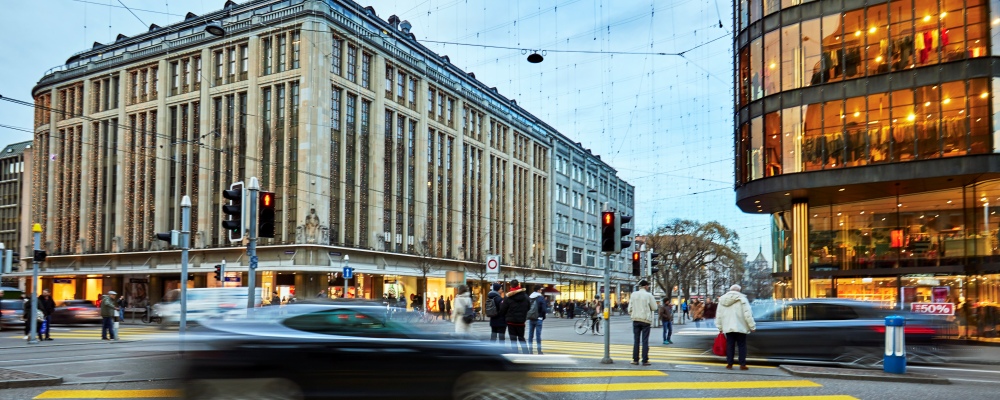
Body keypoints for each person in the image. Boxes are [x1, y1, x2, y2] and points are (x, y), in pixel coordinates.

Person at [716, 284, 756, 370]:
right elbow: (748, 314)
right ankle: (742, 364)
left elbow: (719, 315)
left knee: (730, 345)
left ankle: (729, 363)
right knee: (742, 345)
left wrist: (720, 327)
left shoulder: (722, 300)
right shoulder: (742, 299)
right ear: (739, 291)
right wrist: (752, 326)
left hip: (728, 327)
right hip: (741, 326)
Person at [627, 280, 657, 366]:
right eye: (648, 286)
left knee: (636, 340)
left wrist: (633, 313)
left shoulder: (633, 294)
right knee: (645, 341)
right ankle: (645, 360)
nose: (648, 287)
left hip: (636, 319)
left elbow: (629, 309)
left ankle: (635, 359)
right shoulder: (648, 295)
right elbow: (654, 307)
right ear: (645, 286)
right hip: (645, 320)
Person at [498, 279, 530, 354]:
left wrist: (504, 315)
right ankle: (526, 353)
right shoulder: (525, 296)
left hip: (511, 321)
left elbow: (503, 309)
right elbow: (528, 307)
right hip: (521, 321)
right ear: (518, 285)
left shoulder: (508, 296)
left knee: (513, 339)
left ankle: (515, 353)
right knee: (521, 338)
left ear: (511, 285)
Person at [527, 285, 547, 354]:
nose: (541, 291)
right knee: (538, 336)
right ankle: (539, 351)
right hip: (539, 318)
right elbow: (544, 309)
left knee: (530, 335)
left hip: (531, 318)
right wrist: (543, 317)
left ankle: (530, 350)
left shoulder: (530, 297)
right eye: (540, 290)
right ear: (538, 290)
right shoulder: (541, 298)